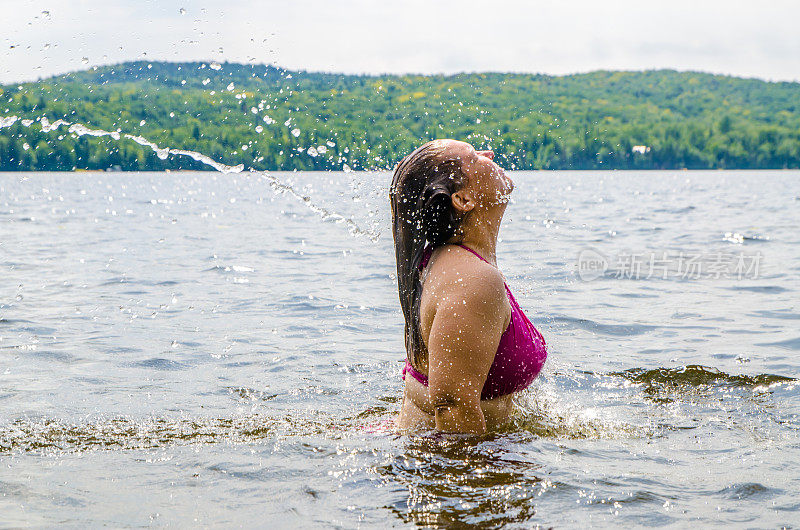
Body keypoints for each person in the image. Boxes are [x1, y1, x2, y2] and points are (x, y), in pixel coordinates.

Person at [390, 139, 548, 434]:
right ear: (462, 200)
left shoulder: (452, 262)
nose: (489, 154)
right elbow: (452, 412)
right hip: (435, 462)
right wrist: (477, 479)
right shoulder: (471, 280)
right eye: (474, 157)